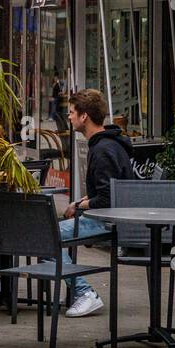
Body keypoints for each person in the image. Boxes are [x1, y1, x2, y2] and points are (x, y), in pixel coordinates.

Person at [59, 87, 136, 318]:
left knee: (45, 236)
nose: (69, 116)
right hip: (108, 217)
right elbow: (108, 190)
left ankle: (84, 293)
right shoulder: (106, 143)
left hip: (108, 222)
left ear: (84, 116)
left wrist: (80, 206)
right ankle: (75, 290)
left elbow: (107, 199)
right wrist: (80, 202)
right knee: (49, 233)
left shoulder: (103, 150)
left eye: (72, 112)